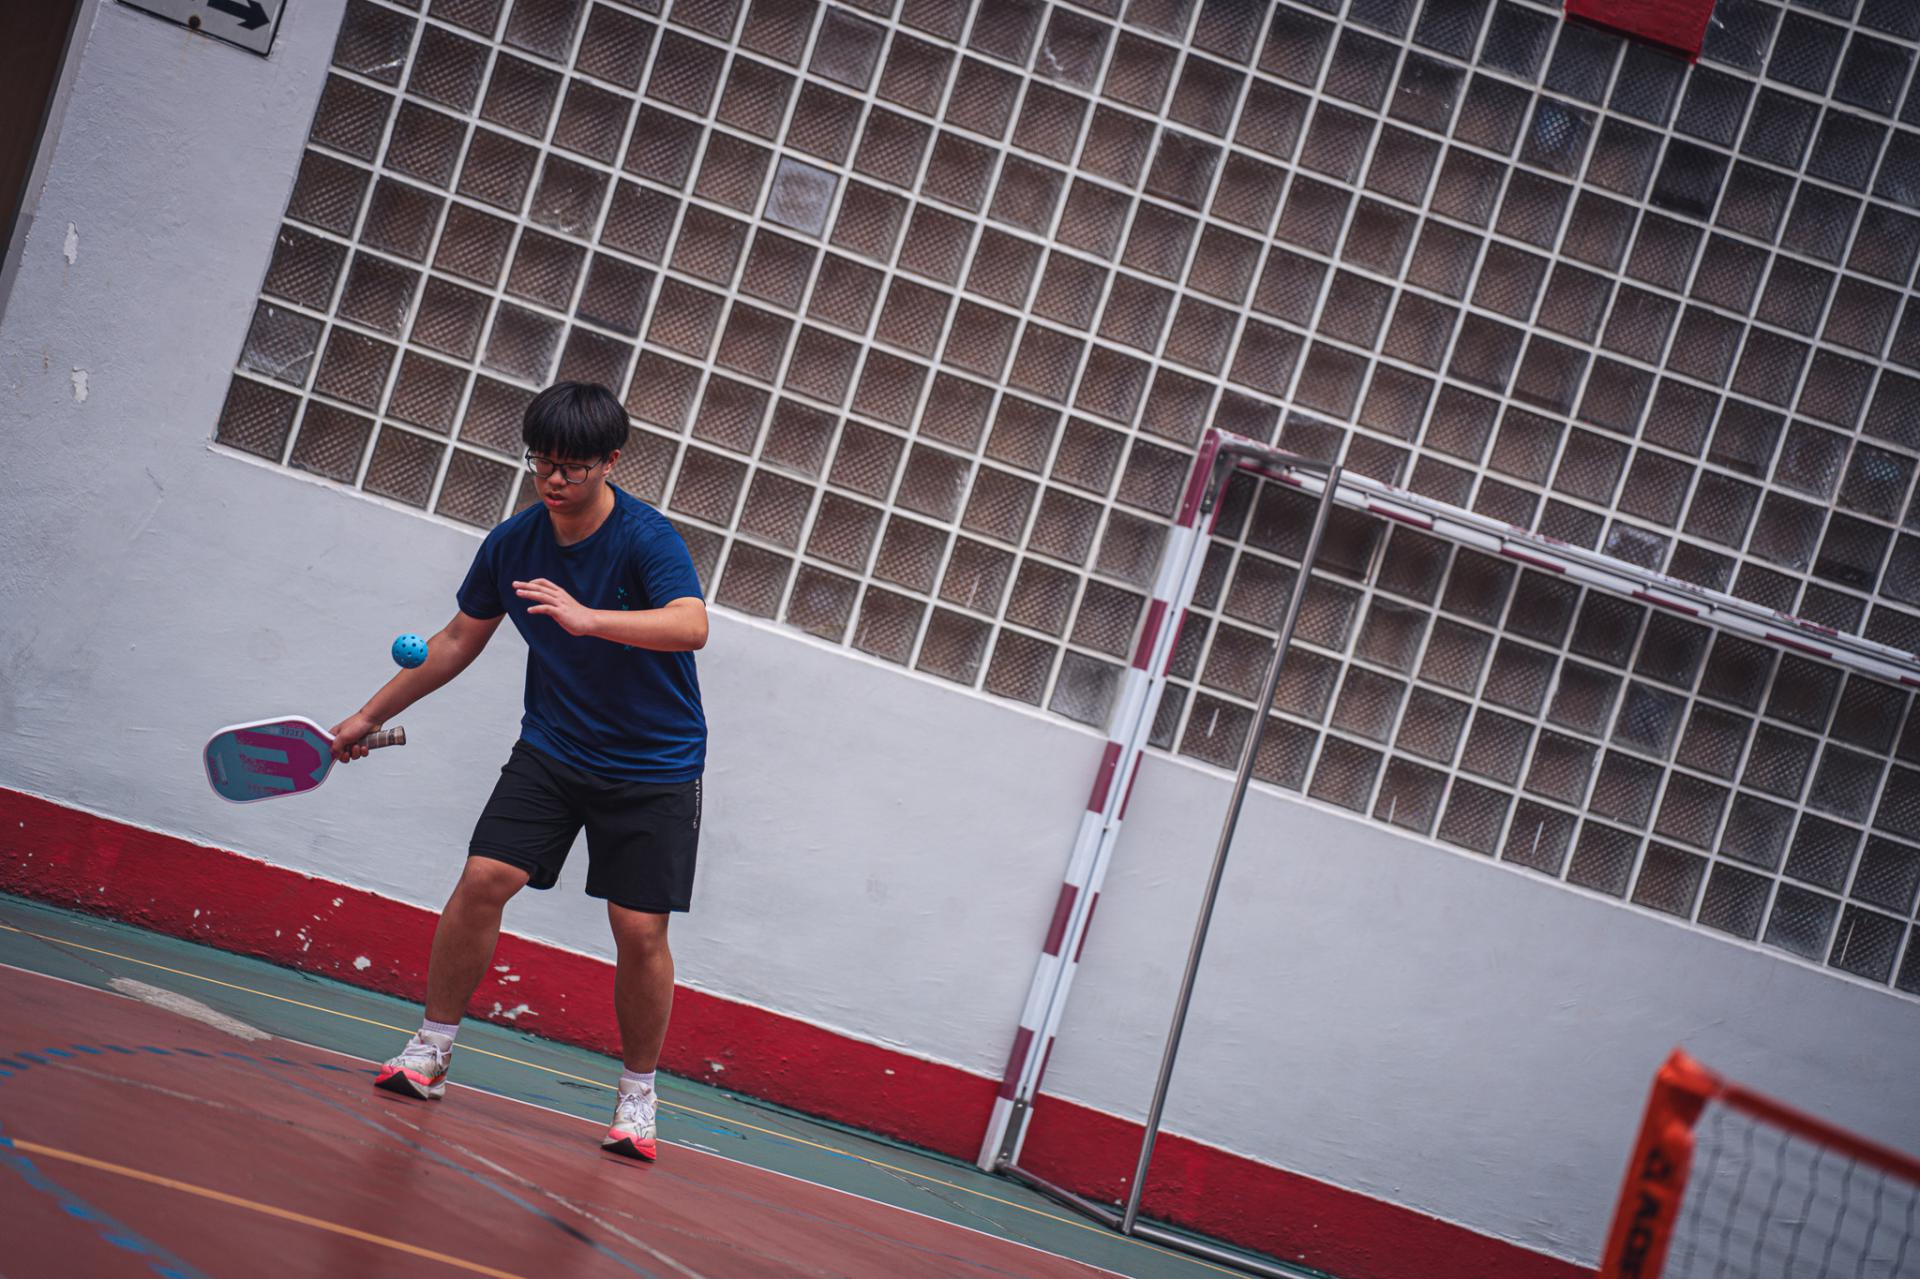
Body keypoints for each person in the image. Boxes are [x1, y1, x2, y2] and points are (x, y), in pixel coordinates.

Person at [329, 381, 709, 1162]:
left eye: (570, 464)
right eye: (541, 460)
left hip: (656, 764)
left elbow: (690, 624)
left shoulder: (646, 538)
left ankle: (638, 1098)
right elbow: (458, 638)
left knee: (638, 931)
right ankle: (431, 1050)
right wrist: (367, 715)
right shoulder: (513, 541)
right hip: (555, 749)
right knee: (483, 878)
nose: (552, 477)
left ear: (610, 461)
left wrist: (587, 617)